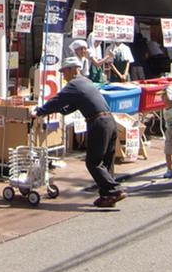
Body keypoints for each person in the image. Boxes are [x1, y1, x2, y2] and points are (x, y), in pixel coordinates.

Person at [33, 57, 124, 207]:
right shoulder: (86, 82)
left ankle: (114, 190)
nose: (63, 75)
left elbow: (58, 99)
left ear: (72, 69)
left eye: (64, 72)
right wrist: (58, 110)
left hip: (98, 123)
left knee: (93, 162)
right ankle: (107, 196)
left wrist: (40, 111)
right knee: (105, 161)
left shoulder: (74, 84)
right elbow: (70, 106)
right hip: (110, 121)